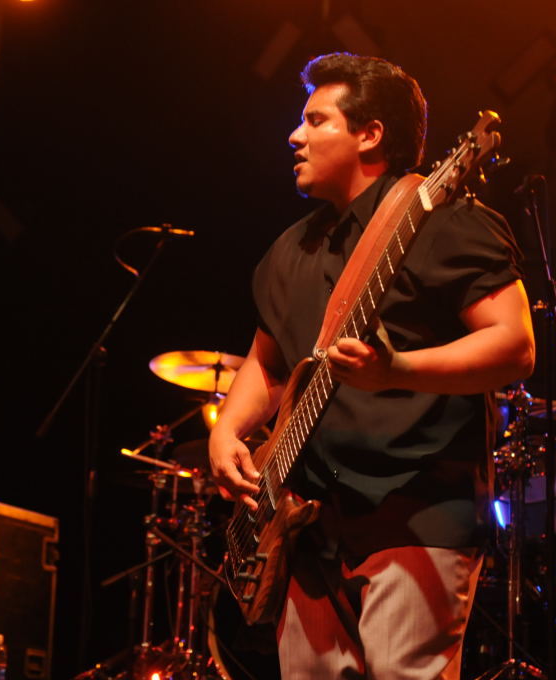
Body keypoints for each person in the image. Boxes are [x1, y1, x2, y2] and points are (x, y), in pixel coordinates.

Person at [209, 53, 535, 679]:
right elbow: (266, 363)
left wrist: (397, 370)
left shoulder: (447, 222)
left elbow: (514, 345)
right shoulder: (289, 249)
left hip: (412, 510)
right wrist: (227, 430)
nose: (294, 135)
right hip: (305, 526)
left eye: (315, 120)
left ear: (370, 134)